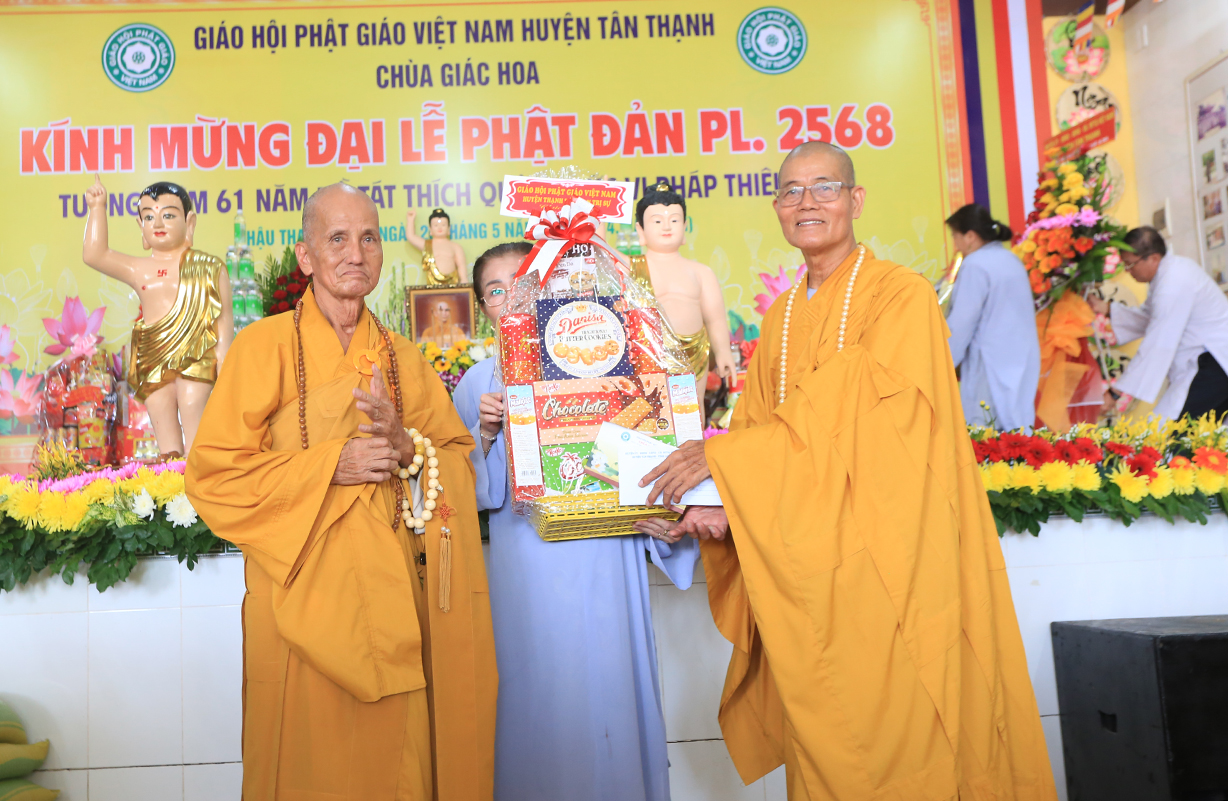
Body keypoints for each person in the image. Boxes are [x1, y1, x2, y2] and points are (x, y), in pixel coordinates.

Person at [635, 142, 1056, 800]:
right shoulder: (778, 320)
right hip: (809, 572)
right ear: (777, 208)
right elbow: (757, 432)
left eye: (824, 188)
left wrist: (725, 463)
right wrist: (716, 501)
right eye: (790, 192)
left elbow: (860, 412)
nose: (806, 203)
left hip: (892, 562)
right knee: (828, 743)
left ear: (855, 200)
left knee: (910, 736)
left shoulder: (901, 296)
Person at [185, 184, 497, 801]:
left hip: (396, 600)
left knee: (397, 765)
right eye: (337, 238)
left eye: (369, 238)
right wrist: (333, 464)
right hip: (301, 598)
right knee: (309, 768)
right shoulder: (261, 347)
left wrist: (408, 449)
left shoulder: (404, 358)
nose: (356, 253)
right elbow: (214, 476)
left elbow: (457, 462)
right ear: (305, 256)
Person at [452, 241, 698, 801]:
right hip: (526, 573)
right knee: (539, 697)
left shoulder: (610, 363)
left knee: (613, 690)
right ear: (483, 307)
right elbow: (463, 494)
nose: (512, 297)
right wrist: (484, 433)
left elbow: (646, 461)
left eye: (524, 282)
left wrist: (662, 519)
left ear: (554, 286)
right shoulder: (478, 384)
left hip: (608, 561)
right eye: (496, 290)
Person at [82, 176, 232, 455]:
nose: (158, 224)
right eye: (149, 217)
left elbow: (224, 327)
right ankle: (171, 478)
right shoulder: (139, 269)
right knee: (162, 420)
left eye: (168, 215)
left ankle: (198, 473)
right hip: (152, 355)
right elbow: (94, 254)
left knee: (192, 409)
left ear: (189, 222)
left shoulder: (210, 267)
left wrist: (226, 370)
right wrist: (97, 207)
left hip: (196, 352)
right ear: (141, 226)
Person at [1088, 226, 1228, 420]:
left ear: (1153, 258)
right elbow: (1150, 318)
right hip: (1207, 364)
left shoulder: (1174, 283)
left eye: (1130, 264)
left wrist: (1115, 393)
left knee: (1172, 429)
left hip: (1214, 363)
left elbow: (1158, 342)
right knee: (1186, 430)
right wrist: (1106, 308)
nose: (1128, 271)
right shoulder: (1170, 273)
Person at [630, 182, 737, 404]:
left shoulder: (701, 272)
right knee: (652, 413)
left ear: (685, 226)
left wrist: (723, 352)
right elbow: (601, 253)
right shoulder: (633, 267)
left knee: (693, 412)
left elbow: (715, 319)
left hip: (694, 355)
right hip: (649, 357)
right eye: (657, 221)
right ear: (641, 230)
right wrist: (601, 210)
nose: (666, 226)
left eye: (674, 220)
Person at [944, 203, 1040, 431]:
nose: (955, 244)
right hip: (1022, 360)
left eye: (955, 236)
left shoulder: (975, 265)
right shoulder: (1011, 259)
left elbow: (961, 324)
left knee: (986, 434)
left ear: (970, 236)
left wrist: (942, 363)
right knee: (1019, 434)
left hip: (989, 364)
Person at [407, 207, 467, 285]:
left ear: (449, 228)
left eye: (443, 225)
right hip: (433, 286)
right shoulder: (427, 245)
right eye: (436, 225)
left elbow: (461, 266)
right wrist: (410, 220)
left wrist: (464, 280)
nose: (439, 228)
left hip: (452, 285)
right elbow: (411, 236)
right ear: (430, 229)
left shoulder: (455, 247)